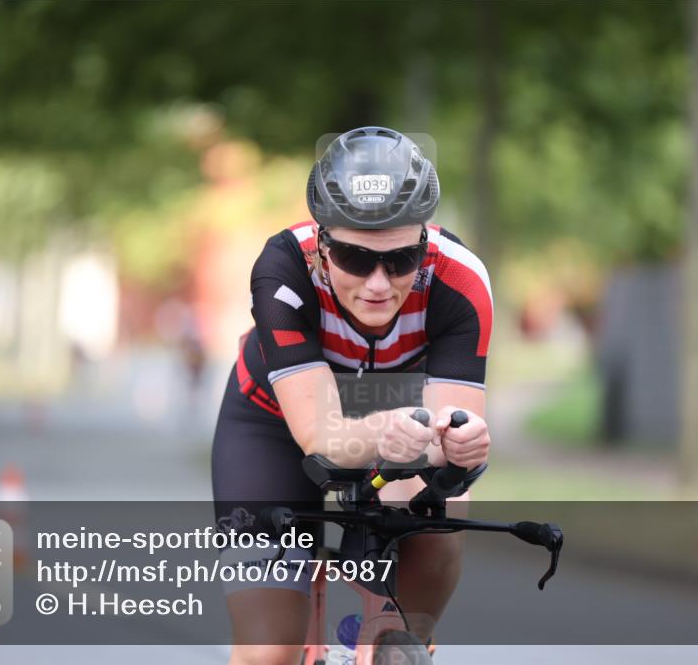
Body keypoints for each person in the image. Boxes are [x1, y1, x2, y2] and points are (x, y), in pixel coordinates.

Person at [211, 126, 493, 665]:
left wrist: (463, 447)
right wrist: (387, 433)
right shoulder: (282, 269)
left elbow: (452, 440)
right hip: (274, 424)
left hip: (401, 424)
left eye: (402, 260)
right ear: (321, 246)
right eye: (355, 259)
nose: (380, 284)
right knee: (268, 651)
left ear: (424, 244)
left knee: (437, 528)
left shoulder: (461, 281)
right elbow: (321, 437)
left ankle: (400, 642)